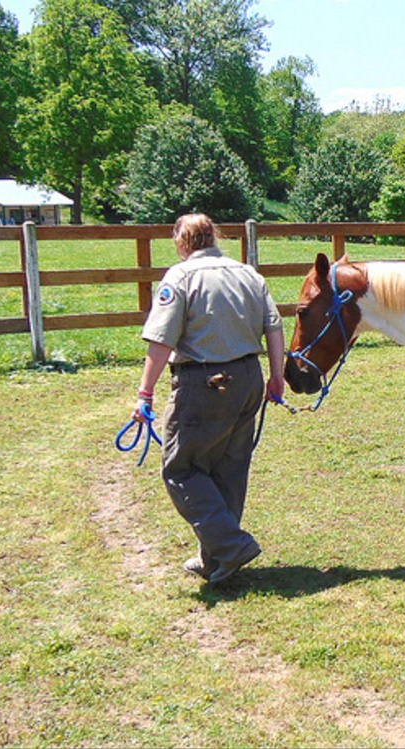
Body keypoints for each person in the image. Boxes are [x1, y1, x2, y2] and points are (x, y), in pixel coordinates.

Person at [130, 213, 285, 585]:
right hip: (249, 378)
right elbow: (274, 327)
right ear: (213, 237)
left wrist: (144, 393)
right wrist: (276, 376)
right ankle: (214, 558)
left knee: (181, 469)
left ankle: (231, 546)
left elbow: (162, 340)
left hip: (204, 382)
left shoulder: (181, 277)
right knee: (229, 469)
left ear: (182, 242)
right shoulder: (249, 274)